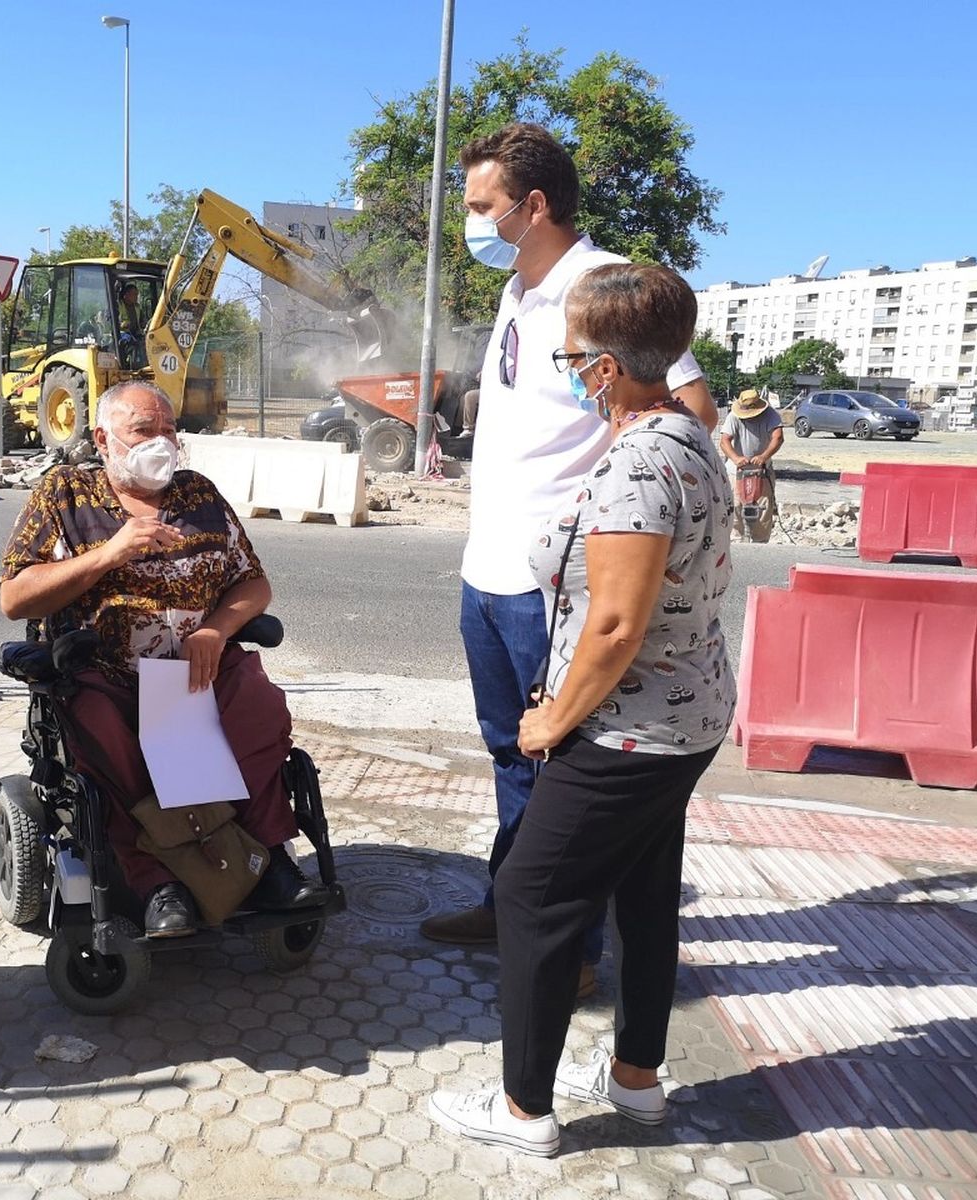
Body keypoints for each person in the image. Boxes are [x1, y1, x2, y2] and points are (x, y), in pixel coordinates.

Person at [429, 262, 734, 1156]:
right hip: (687, 717)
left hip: (627, 728)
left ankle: (524, 1111)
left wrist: (555, 719)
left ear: (605, 368)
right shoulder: (688, 436)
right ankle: (636, 1082)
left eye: (571, 357)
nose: (567, 370)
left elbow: (615, 622)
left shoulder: (640, 461)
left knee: (532, 894)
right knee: (643, 894)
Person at [421, 122, 718, 1003]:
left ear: (533, 204)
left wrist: (610, 523)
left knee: (562, 766)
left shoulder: (602, 287)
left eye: (482, 207)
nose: (472, 223)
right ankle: (509, 905)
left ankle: (571, 949)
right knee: (512, 753)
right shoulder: (521, 288)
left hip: (553, 582)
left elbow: (687, 407)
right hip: (490, 568)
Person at [0, 381, 329, 938]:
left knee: (257, 704)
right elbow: (14, 597)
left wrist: (217, 630)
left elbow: (252, 581)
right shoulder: (65, 494)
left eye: (169, 430)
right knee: (104, 733)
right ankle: (156, 881)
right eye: (143, 431)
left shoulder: (198, 495)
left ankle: (265, 859)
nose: (162, 442)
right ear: (103, 438)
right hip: (106, 673)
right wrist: (108, 554)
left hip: (193, 673)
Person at [719, 389, 784, 543]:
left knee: (762, 509)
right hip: (736, 472)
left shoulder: (770, 415)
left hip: (762, 472)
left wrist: (764, 456)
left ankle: (760, 543)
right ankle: (736, 543)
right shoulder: (734, 416)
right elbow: (724, 440)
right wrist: (735, 458)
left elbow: (778, 437)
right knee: (735, 508)